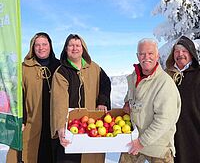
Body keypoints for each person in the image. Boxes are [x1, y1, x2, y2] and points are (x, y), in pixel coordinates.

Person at [50, 34, 111, 163]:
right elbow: (59, 101)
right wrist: (61, 126)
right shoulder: (61, 72)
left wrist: (102, 101)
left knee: (92, 158)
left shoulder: (94, 67)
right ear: (66, 49)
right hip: (71, 126)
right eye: (71, 45)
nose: (75, 48)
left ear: (83, 49)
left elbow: (105, 83)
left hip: (93, 124)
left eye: (78, 45)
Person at [119, 38, 181, 163]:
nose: (146, 57)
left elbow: (165, 120)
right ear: (137, 56)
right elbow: (130, 97)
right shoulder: (134, 77)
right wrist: (127, 103)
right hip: (135, 139)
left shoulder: (164, 83)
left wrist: (142, 142)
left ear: (157, 56)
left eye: (150, 53)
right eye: (142, 54)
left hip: (158, 146)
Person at [6, 32, 60, 163]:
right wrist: (22, 118)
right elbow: (17, 94)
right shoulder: (24, 68)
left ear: (50, 46)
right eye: (37, 45)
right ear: (32, 47)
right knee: (28, 154)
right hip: (31, 121)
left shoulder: (60, 66)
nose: (41, 48)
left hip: (55, 124)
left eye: (44, 44)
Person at [165, 35, 200, 163]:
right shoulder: (166, 75)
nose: (180, 54)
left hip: (194, 128)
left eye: (184, 51)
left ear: (191, 54)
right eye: (177, 51)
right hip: (171, 132)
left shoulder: (198, 74)